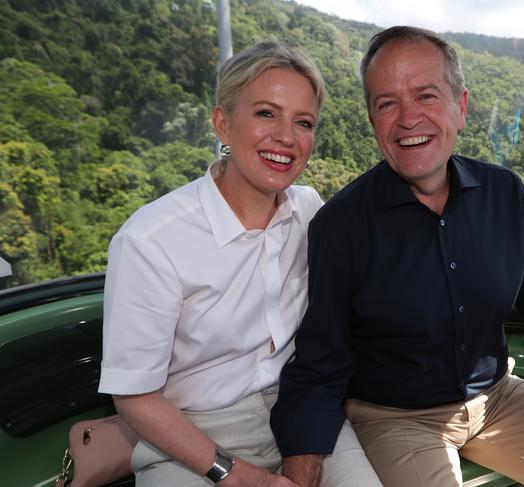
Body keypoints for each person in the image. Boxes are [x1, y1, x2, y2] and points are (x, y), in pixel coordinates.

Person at [271, 27, 524, 487]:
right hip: (396, 419)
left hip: (499, 398)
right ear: (372, 122)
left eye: (426, 96)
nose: (408, 118)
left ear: (461, 106)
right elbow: (319, 368)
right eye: (387, 103)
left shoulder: (505, 196)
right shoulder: (341, 227)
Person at [98, 40, 381, 487]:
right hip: (191, 434)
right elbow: (134, 396)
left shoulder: (309, 210)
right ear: (223, 124)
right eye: (266, 113)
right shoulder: (151, 240)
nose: (286, 137)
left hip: (300, 405)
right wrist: (233, 472)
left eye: (303, 122)